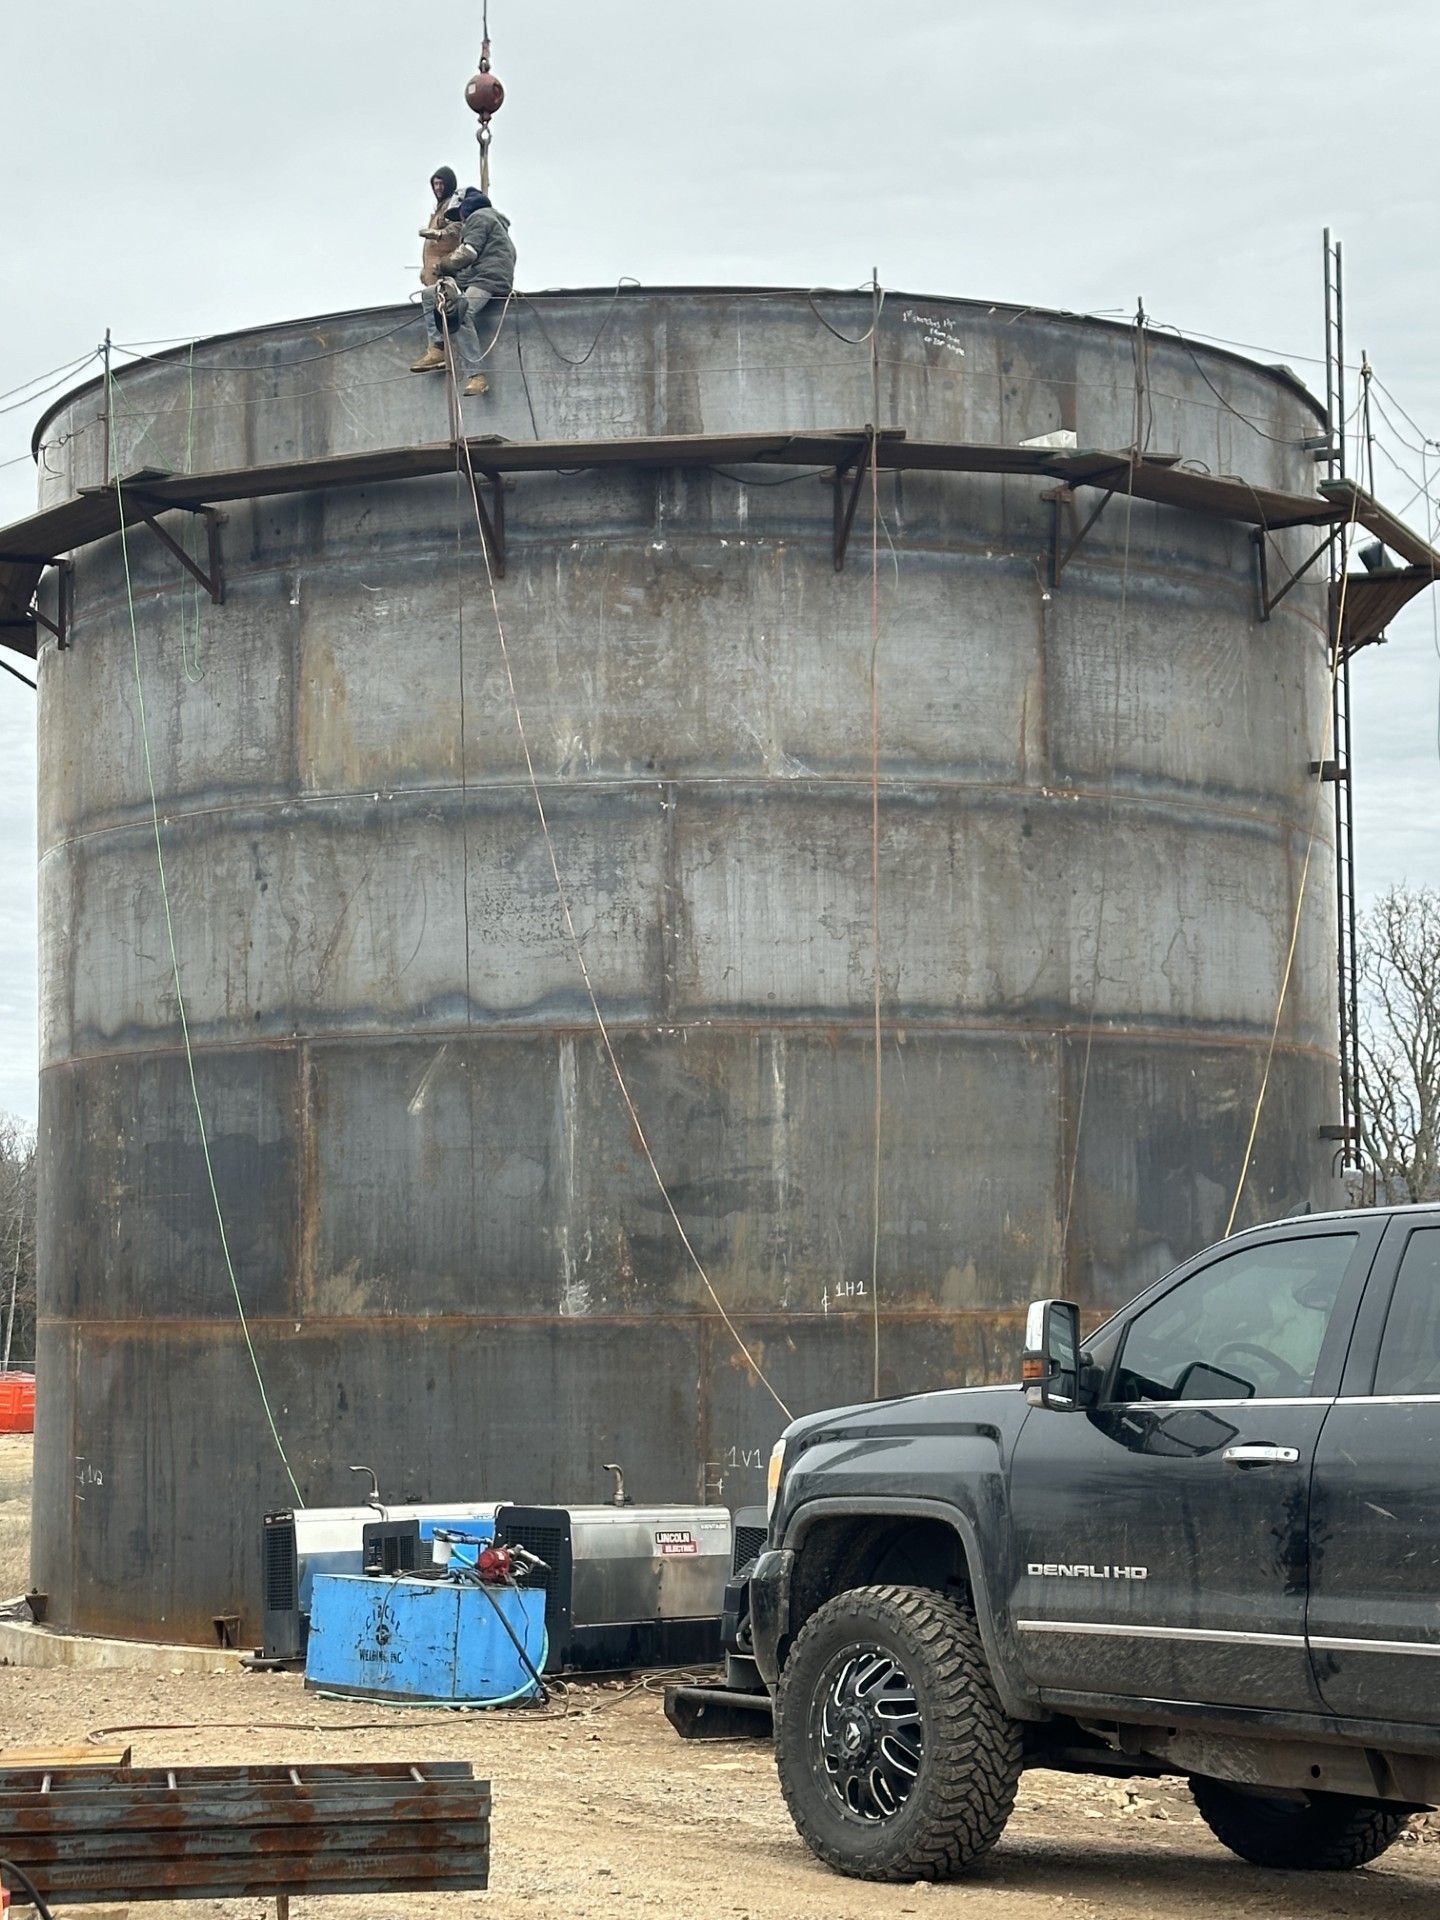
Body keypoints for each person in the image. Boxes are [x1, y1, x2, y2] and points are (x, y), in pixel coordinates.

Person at [411, 188, 516, 397]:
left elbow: (468, 253)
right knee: (430, 294)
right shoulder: (486, 221)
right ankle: (437, 348)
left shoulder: (480, 217)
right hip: (479, 275)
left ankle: (477, 376)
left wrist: (444, 265)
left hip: (489, 279)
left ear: (464, 208)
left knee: (461, 313)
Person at [419, 167, 459, 287]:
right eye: (435, 184)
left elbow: (458, 228)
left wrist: (439, 234)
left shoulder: (452, 205)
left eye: (441, 184)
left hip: (443, 270)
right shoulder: (440, 208)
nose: (438, 188)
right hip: (433, 270)